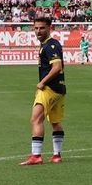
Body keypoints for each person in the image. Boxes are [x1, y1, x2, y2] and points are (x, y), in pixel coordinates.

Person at [20, 15, 66, 166]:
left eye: (42, 28)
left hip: (49, 88)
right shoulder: (48, 45)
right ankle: (57, 155)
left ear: (49, 28)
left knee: (36, 119)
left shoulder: (50, 45)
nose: (38, 31)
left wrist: (42, 82)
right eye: (36, 28)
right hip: (59, 89)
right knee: (55, 122)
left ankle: (36, 156)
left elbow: (57, 67)